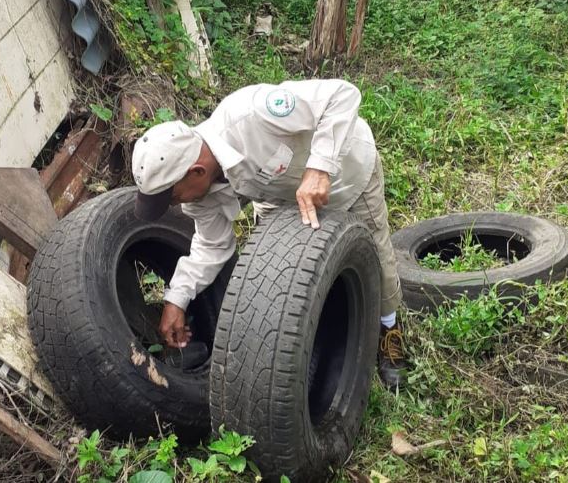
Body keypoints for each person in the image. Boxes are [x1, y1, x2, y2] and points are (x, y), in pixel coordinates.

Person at [131, 79, 406, 387]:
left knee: (377, 258)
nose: (175, 204)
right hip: (280, 200)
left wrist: (320, 167)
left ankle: (389, 330)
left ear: (196, 171)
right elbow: (211, 246)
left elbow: (342, 95)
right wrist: (176, 299)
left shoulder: (251, 114)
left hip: (348, 176)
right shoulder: (198, 196)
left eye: (173, 196)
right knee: (276, 274)